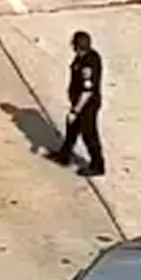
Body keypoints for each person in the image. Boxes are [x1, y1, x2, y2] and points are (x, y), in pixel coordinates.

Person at [50, 31, 105, 177]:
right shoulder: (84, 57)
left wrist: (75, 111)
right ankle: (64, 155)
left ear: (77, 46)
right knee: (72, 129)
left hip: (87, 105)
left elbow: (87, 91)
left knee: (89, 134)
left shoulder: (88, 64)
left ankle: (98, 165)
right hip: (80, 102)